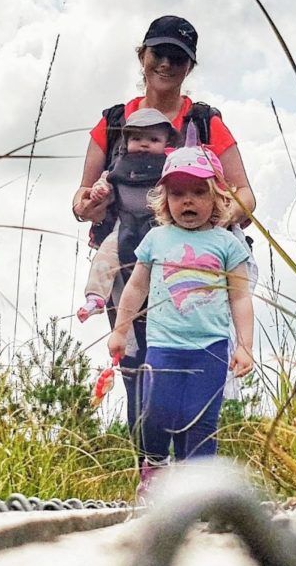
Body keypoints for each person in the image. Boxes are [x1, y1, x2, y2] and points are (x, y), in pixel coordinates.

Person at [71, 14, 258, 431]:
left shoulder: (206, 123)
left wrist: (221, 216)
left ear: (190, 66)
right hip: (127, 259)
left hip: (194, 263)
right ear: (142, 56)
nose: (167, 64)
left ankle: (191, 462)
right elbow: (81, 196)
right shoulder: (114, 122)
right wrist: (91, 205)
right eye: (159, 53)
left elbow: (246, 194)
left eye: (179, 57)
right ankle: (150, 463)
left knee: (194, 358)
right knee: (135, 361)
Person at [106, 147, 254, 495]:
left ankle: (197, 490)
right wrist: (120, 330)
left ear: (217, 195)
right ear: (164, 198)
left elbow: (240, 297)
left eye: (198, 191)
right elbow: (136, 287)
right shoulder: (157, 238)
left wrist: (244, 347)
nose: (188, 201)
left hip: (211, 348)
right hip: (163, 346)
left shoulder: (226, 243)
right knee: (155, 410)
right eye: (177, 193)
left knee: (202, 421)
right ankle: (155, 466)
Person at [76, 108, 175, 323]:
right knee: (105, 255)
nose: (144, 144)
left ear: (166, 143)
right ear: (126, 141)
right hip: (126, 226)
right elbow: (104, 183)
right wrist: (99, 192)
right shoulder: (119, 167)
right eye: (137, 138)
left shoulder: (170, 167)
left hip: (162, 229)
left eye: (154, 139)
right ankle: (95, 297)